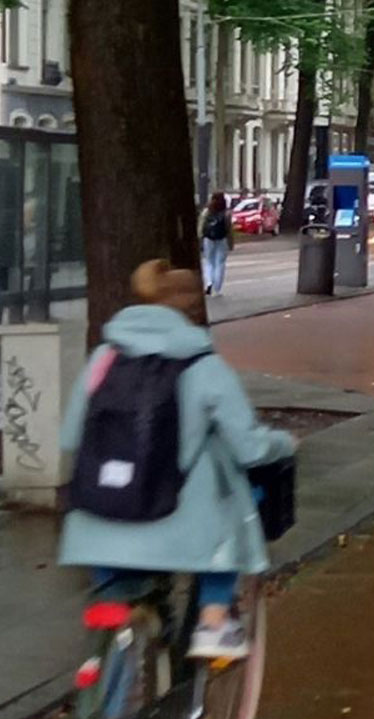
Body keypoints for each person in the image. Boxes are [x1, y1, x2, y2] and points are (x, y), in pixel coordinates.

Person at [58, 260, 295, 660]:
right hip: (179, 526)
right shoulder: (202, 364)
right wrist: (283, 444)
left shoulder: (103, 358)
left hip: (97, 520)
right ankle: (214, 620)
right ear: (191, 311)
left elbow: (70, 435)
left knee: (115, 606)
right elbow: (249, 447)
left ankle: (108, 714)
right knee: (233, 501)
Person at [200, 192, 233, 296]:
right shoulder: (226, 213)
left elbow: (201, 226)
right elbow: (229, 229)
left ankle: (209, 283)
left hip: (208, 239)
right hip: (222, 239)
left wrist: (201, 238)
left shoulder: (206, 211)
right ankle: (217, 288)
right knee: (220, 263)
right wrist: (231, 243)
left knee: (209, 262)